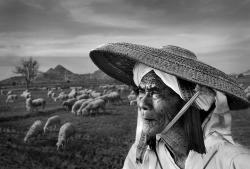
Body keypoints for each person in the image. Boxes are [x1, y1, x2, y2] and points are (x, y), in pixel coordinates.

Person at [89, 42, 250, 169]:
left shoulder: (234, 162)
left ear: (191, 100)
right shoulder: (140, 157)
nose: (142, 103)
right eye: (141, 91)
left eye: (155, 92)